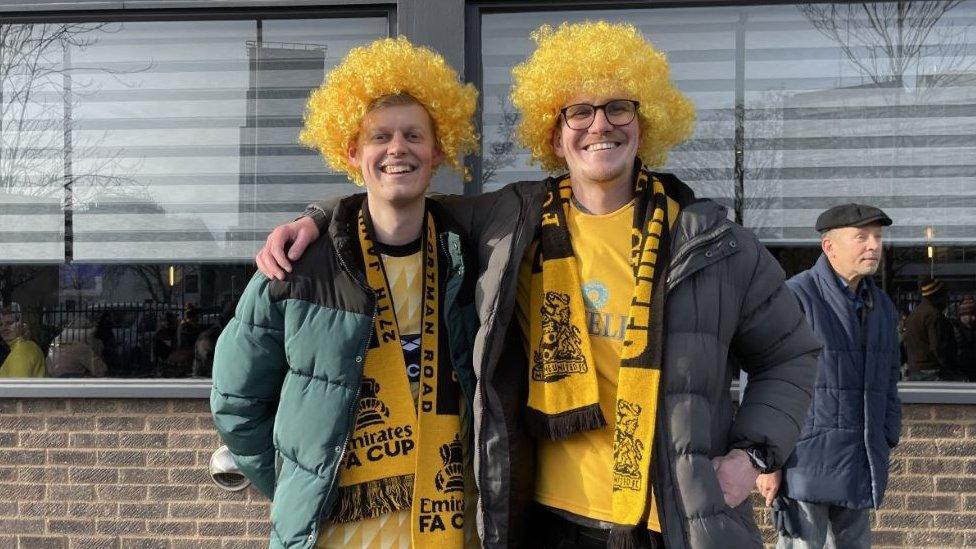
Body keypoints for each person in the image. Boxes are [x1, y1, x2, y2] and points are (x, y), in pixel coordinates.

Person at [256, 22, 821, 549]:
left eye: (618, 108)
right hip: (549, 519)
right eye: (579, 112)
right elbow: (398, 194)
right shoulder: (511, 222)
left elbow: (792, 355)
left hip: (673, 518)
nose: (600, 125)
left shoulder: (711, 242)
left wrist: (751, 455)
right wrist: (318, 215)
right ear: (554, 135)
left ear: (644, 125)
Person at [210, 37, 480, 548]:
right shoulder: (298, 266)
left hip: (445, 535)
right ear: (352, 151)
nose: (397, 148)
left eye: (413, 135)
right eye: (380, 136)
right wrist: (300, 485)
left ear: (438, 150)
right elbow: (234, 400)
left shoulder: (470, 257)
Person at [755, 204, 902, 549]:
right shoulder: (796, 296)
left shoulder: (880, 306)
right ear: (830, 247)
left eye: (878, 237)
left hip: (860, 459)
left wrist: (886, 434)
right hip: (804, 463)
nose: (874, 245)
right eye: (862, 237)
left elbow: (890, 377)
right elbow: (764, 376)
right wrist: (766, 460)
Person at [903, 277, 956, 380]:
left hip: (915, 368)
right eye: (944, 295)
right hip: (932, 369)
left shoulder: (914, 314)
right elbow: (937, 346)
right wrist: (949, 367)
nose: (947, 299)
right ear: (937, 296)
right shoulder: (934, 316)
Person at [0, 306, 46, 378]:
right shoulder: (24, 347)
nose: (3, 328)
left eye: (9, 323)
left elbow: (17, 388)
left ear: (23, 325)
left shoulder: (22, 350)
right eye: (0, 324)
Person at [952, 296, 976, 381]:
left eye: (973, 314)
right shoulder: (955, 331)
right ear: (961, 315)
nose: (972, 318)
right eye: (968, 314)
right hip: (962, 372)